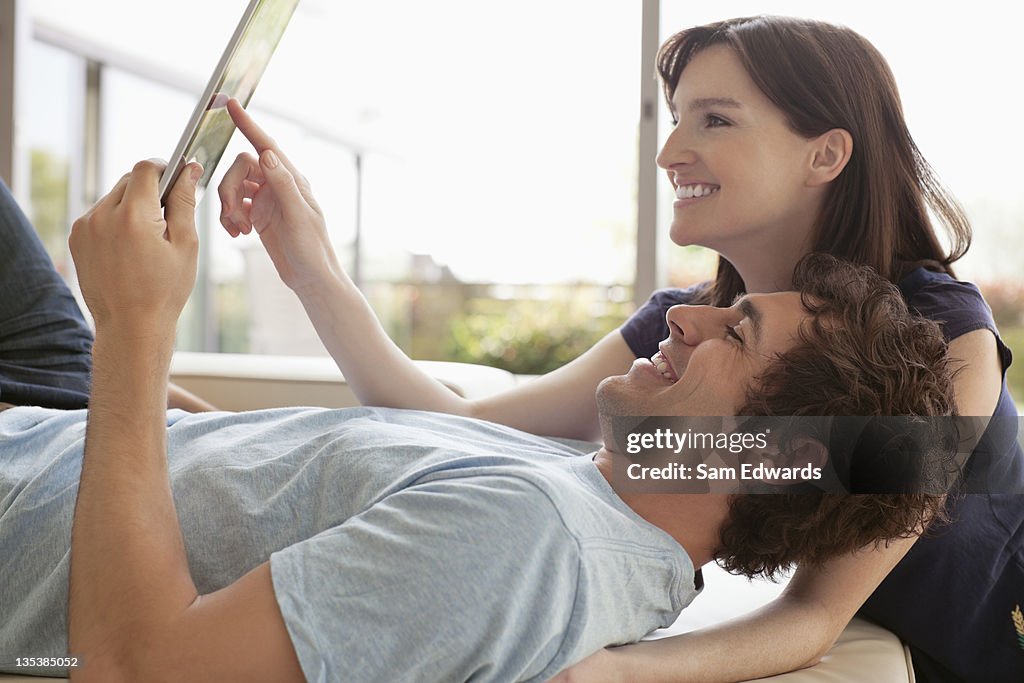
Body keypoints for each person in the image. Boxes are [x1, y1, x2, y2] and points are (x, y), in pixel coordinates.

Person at [213, 16, 1024, 683]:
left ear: (826, 154)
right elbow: (462, 420)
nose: (672, 152)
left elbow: (813, 615)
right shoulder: (683, 331)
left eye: (715, 119)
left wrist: (607, 670)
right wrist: (310, 264)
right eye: (678, 120)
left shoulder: (933, 341)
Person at [0, 157, 955, 681]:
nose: (683, 314)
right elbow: (279, 474)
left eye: (735, 331)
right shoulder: (596, 484)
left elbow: (131, 668)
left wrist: (135, 330)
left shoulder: (531, 546)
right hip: (62, 435)